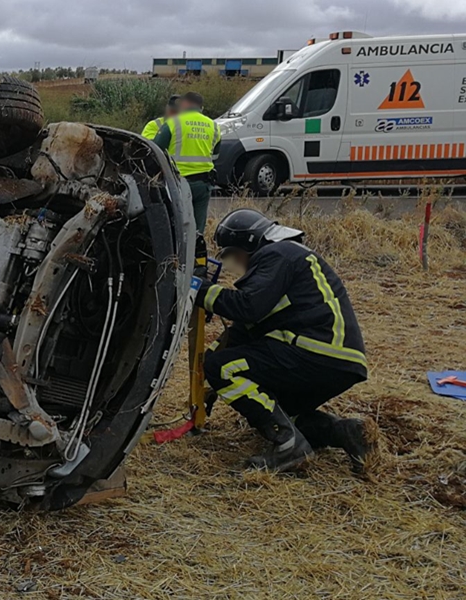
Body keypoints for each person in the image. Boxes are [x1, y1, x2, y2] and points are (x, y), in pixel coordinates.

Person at [197, 209, 373, 473]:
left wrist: (197, 288)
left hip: (313, 349)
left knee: (226, 369)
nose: (238, 263)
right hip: (338, 361)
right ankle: (342, 432)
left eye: (235, 255)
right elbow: (243, 331)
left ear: (250, 243)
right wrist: (208, 372)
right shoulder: (290, 259)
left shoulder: (277, 254)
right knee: (276, 409)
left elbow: (247, 308)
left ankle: (289, 447)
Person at [152, 92, 219, 235]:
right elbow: (216, 156)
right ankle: (196, 255)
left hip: (178, 183)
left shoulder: (173, 122)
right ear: (201, 107)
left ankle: (177, 256)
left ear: (184, 104)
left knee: (177, 227)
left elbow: (155, 151)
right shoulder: (214, 126)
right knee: (197, 230)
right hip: (204, 184)